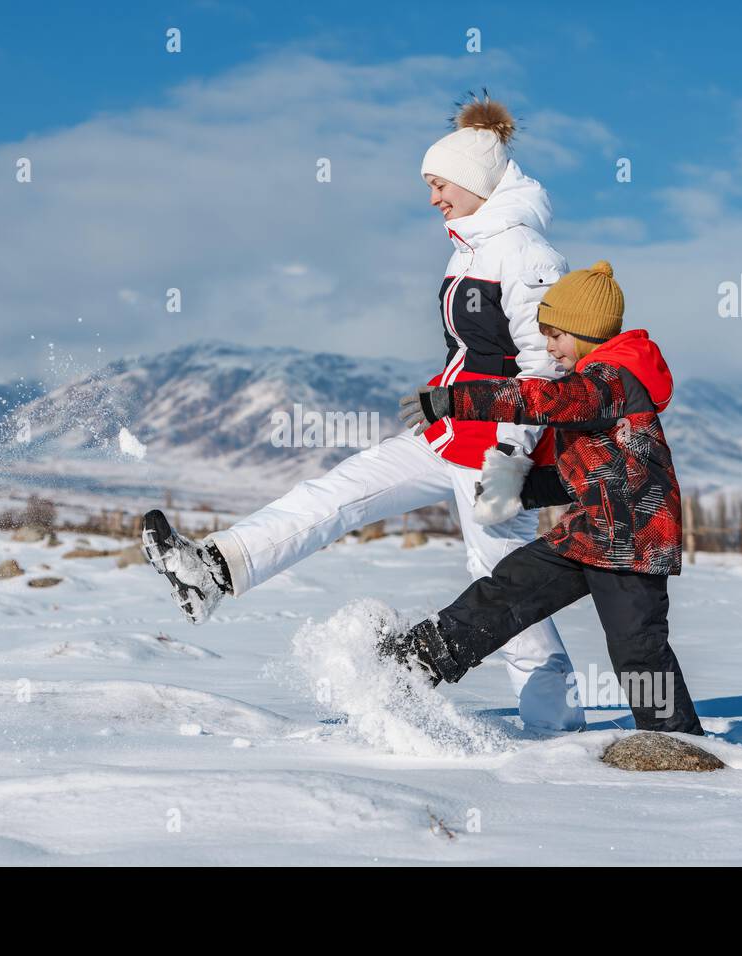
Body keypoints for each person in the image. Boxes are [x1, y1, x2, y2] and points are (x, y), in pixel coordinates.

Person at [142, 92, 585, 734]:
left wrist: (512, 459)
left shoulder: (526, 255)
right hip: (449, 429)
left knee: (503, 582)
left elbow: (545, 368)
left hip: (494, 448)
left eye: (439, 184)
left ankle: (556, 729)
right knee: (340, 493)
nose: (432, 197)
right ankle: (215, 568)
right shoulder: (469, 246)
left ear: (473, 180)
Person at [390, 260, 705, 735]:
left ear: (587, 331)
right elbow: (587, 473)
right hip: (592, 532)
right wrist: (523, 491)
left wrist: (456, 400)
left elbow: (544, 400)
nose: (549, 347)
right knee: (508, 590)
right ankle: (410, 663)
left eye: (556, 336)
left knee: (636, 649)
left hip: (634, 543)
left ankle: (676, 741)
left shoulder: (612, 381)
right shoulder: (599, 385)